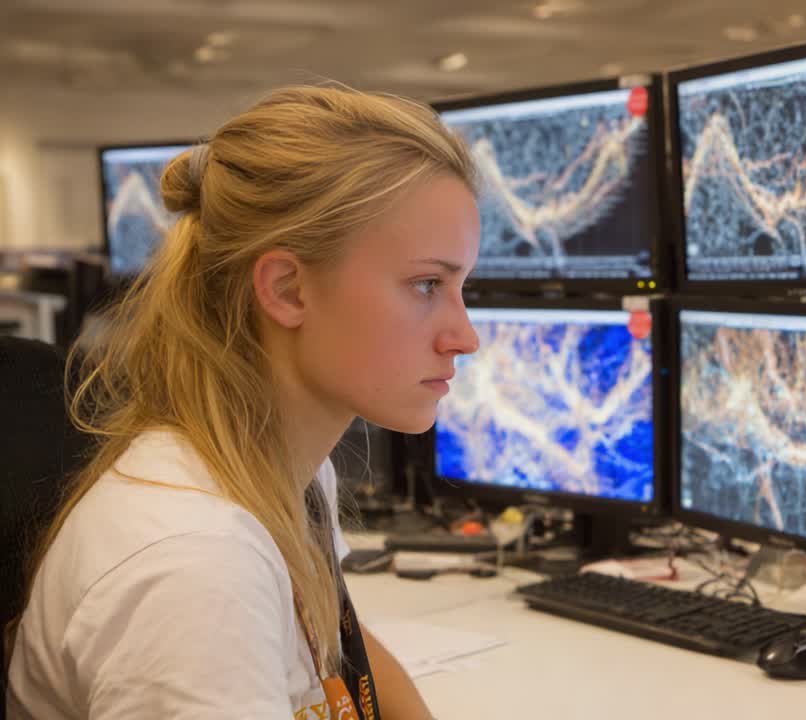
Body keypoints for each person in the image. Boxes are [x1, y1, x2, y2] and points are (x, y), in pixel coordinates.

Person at [4, 85, 480, 719]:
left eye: (461, 286)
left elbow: (341, 642)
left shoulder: (279, 466)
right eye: (427, 284)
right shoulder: (194, 570)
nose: (464, 336)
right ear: (286, 288)